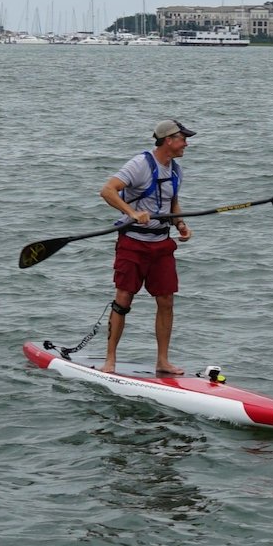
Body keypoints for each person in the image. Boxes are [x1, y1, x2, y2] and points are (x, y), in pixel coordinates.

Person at [98, 119, 197, 375]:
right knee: (123, 299)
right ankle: (110, 360)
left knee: (166, 300)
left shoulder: (176, 170)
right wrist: (132, 212)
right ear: (168, 141)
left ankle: (162, 361)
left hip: (161, 244)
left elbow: (172, 202)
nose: (186, 143)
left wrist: (181, 225)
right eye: (183, 138)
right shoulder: (140, 164)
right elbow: (108, 191)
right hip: (133, 242)